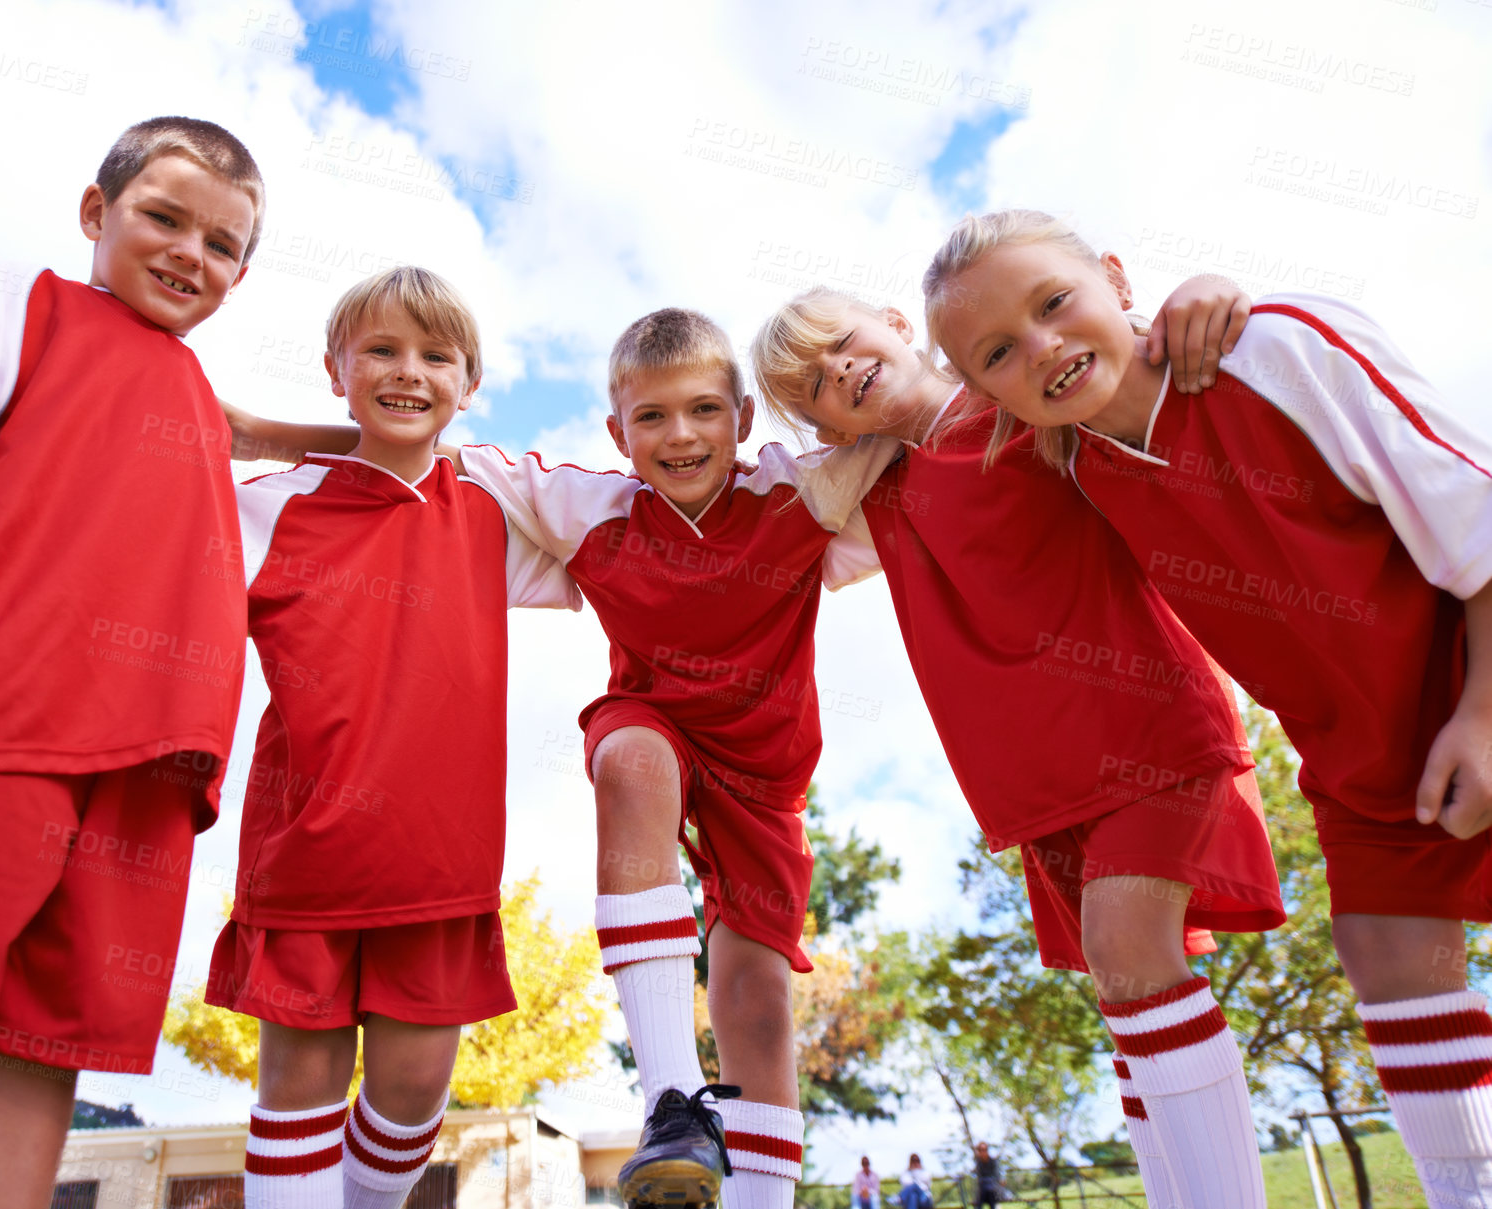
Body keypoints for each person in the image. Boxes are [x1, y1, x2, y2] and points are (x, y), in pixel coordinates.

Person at [924, 207, 1492, 1209]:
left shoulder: (1271, 348)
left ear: (1116, 275)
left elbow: (1478, 515)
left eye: (1057, 303)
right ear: (984, 393)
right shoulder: (1082, 471)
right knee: (1392, 969)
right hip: (1365, 767)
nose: (1045, 347)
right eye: (1001, 351)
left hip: (1470, 696)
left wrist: (1484, 713)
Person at [749, 280, 1281, 1208]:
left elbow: (1118, 358)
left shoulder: (1020, 407)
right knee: (1124, 996)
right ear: (825, 428)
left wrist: (1189, 296)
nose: (838, 368)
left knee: (1130, 952)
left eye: (841, 340)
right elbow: (748, 517)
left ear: (895, 320)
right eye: (814, 385)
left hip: (1150, 732)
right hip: (1038, 784)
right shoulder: (873, 491)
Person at [0, 116, 263, 1209]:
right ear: (94, 212)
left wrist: (367, 436)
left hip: (149, 766)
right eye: (161, 219)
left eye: (222, 246)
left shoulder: (192, 398)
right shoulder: (25, 303)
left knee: (46, 1041)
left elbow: (245, 425)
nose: (189, 255)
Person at [450, 309, 898, 1209]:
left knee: (758, 1003)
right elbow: (424, 447)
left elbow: (911, 427)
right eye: (650, 416)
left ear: (741, 417)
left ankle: (758, 1197)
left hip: (764, 774)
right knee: (630, 764)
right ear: (618, 433)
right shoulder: (591, 508)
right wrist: (265, 433)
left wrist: (891, 349)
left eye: (702, 410)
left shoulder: (800, 491)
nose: (679, 434)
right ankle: (670, 1101)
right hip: (652, 723)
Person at [205, 267, 580, 1207]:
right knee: (299, 1090)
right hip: (307, 859)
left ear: (468, 381)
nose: (407, 372)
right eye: (379, 350)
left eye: (434, 356)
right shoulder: (270, 507)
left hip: (438, 865)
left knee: (414, 1091)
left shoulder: (495, 507)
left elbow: (639, 528)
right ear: (336, 370)